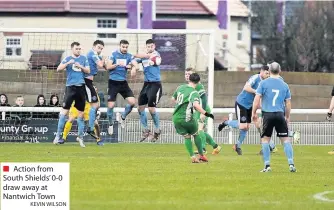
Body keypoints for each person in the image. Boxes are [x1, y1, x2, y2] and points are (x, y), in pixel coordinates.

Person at [252, 62, 296, 172]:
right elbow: (288, 103)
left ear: (269, 71)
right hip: (280, 114)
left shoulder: (263, 83)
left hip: (267, 114)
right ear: (279, 71)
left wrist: (253, 113)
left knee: (265, 140)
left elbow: (257, 99)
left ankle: (267, 166)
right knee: (286, 140)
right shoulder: (284, 85)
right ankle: (291, 164)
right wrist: (287, 116)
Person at [218, 66, 270, 155]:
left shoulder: (265, 83)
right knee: (242, 126)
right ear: (261, 71)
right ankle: (226, 122)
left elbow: (260, 98)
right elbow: (246, 87)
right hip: (241, 103)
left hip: (250, 106)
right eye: (266, 73)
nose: (268, 75)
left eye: (269, 73)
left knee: (246, 127)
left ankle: (237, 146)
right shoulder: (255, 78)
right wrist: (256, 91)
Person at [53, 42, 90, 148]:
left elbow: (88, 70)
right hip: (70, 88)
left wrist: (80, 66)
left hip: (81, 88)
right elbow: (58, 69)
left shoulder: (83, 58)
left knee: (81, 115)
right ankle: (57, 136)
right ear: (72, 49)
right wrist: (68, 63)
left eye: (80, 48)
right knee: (64, 113)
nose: (78, 50)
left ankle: (80, 138)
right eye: (77, 49)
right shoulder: (68, 58)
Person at [172, 73, 214, 163]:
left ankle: (192, 156)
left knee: (187, 136)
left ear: (189, 79)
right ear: (198, 82)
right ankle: (201, 155)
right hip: (186, 118)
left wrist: (181, 104)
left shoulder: (180, 87)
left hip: (176, 117)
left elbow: (173, 98)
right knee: (196, 134)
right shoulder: (194, 92)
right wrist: (206, 113)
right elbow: (196, 105)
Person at [184, 68, 221, 155]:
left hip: (202, 109)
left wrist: (203, 112)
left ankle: (203, 148)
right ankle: (216, 146)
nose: (187, 76)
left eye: (189, 74)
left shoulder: (198, 85)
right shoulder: (190, 85)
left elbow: (204, 99)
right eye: (185, 74)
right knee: (200, 130)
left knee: (198, 129)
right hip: (198, 109)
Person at [105, 39, 138, 135]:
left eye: (126, 47)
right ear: (120, 46)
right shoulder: (114, 54)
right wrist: (116, 65)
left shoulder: (129, 56)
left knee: (132, 102)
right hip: (113, 82)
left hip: (123, 83)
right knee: (110, 106)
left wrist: (133, 68)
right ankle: (110, 124)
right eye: (123, 47)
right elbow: (108, 66)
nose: (125, 49)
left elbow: (136, 64)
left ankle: (122, 117)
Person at [136, 39, 163, 142]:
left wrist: (152, 60)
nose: (150, 48)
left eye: (152, 46)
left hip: (155, 84)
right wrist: (134, 66)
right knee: (140, 108)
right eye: (148, 46)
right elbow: (135, 59)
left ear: (154, 46)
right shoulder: (144, 56)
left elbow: (158, 60)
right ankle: (146, 130)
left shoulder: (156, 54)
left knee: (151, 109)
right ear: (146, 47)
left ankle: (157, 129)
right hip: (146, 84)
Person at [85, 40, 105, 139]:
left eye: (101, 48)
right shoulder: (92, 54)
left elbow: (104, 65)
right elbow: (101, 64)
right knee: (94, 105)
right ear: (94, 46)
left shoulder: (94, 55)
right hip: (86, 82)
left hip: (89, 82)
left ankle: (90, 127)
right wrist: (105, 60)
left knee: (95, 105)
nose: (100, 50)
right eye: (98, 47)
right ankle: (90, 127)